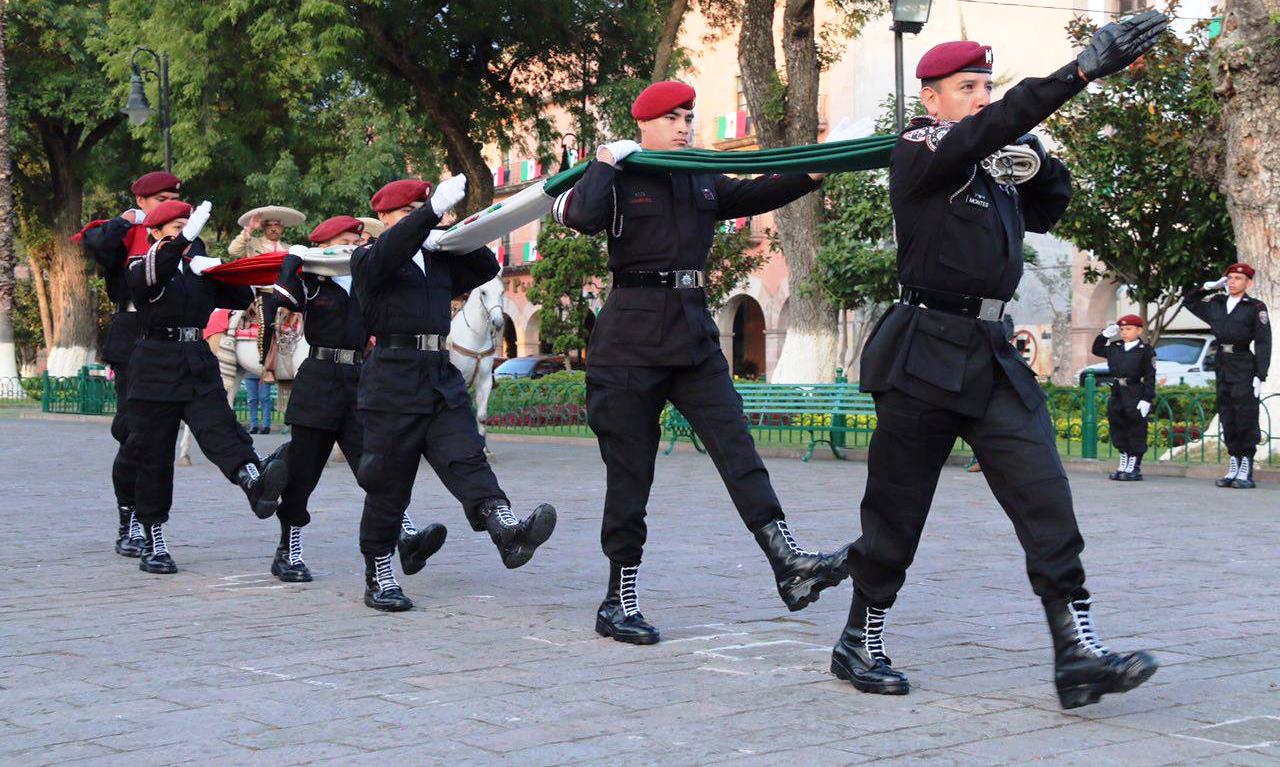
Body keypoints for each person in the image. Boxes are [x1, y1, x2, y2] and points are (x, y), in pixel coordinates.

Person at [833, 16, 1168, 709]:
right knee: (895, 511)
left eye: (989, 85)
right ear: (933, 99)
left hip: (990, 352)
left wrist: (1043, 161)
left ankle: (1076, 652)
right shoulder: (920, 149)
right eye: (968, 87)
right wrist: (1078, 73)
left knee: (1046, 495)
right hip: (923, 349)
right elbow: (983, 133)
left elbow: (1049, 206)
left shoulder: (991, 164)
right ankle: (859, 638)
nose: (984, 97)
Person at [553, 80, 854, 645]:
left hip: (692, 336)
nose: (685, 126)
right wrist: (603, 163)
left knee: (737, 447)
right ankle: (619, 599)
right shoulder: (622, 174)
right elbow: (580, 217)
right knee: (630, 476)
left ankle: (788, 563)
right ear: (644, 124)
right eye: (673, 118)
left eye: (690, 115)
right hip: (629, 343)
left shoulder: (699, 176)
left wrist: (818, 166)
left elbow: (759, 192)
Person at [349, 177, 556, 612]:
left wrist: (452, 233)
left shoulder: (433, 257)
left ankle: (505, 529)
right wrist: (425, 219)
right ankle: (379, 572)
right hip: (392, 376)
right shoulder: (369, 256)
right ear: (383, 217)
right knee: (388, 482)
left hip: (437, 374)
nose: (415, 220)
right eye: (406, 213)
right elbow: (385, 256)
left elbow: (484, 267)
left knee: (466, 454)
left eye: (419, 210)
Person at [260, 216, 446, 583]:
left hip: (359, 381)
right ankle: (288, 551)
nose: (357, 241)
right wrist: (294, 261)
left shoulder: (367, 281)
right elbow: (280, 300)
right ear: (329, 242)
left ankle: (406, 536)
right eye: (348, 237)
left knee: (377, 468)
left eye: (358, 237)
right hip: (317, 382)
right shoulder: (313, 283)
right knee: (303, 474)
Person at [123, 200, 289, 574]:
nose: (187, 231)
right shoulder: (142, 263)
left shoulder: (196, 267)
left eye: (189, 223)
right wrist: (182, 242)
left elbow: (241, 295)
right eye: (177, 225)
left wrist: (221, 272)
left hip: (196, 358)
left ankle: (253, 482)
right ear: (154, 231)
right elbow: (154, 274)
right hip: (155, 362)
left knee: (220, 427)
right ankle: (154, 538)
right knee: (154, 454)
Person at [75, 171, 182, 558]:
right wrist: (127, 221)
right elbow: (98, 247)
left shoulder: (182, 233)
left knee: (162, 438)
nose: (169, 207)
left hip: (171, 337)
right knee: (134, 434)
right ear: (141, 202)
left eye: (174, 199)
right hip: (132, 332)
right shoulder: (124, 231)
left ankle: (151, 521)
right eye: (160, 200)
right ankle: (129, 519)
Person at [1183, 264, 1271, 488]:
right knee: (1228, 414)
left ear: (1248, 282)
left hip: (1243, 363)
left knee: (1245, 415)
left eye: (1238, 278)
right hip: (1222, 362)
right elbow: (1188, 301)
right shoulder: (1217, 304)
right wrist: (1207, 287)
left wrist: (1260, 374)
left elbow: (1263, 342)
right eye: (1229, 278)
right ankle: (1234, 461)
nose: (1232, 282)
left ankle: (1246, 466)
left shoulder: (1254, 307)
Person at [1092, 315, 1156, 481]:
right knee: (1118, 425)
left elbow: (1150, 376)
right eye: (1122, 329)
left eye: (1128, 329)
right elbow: (1096, 349)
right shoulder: (1115, 347)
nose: (1124, 332)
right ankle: (1124, 458)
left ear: (1139, 330)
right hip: (1117, 392)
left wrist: (1147, 398)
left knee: (1135, 428)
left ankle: (1134, 464)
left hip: (1135, 391)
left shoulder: (1145, 350)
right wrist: (1104, 335)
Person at [227, 205, 303, 260]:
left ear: (282, 227)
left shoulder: (290, 249)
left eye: (277, 224)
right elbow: (233, 251)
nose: (273, 228)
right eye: (269, 225)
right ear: (263, 227)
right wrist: (250, 228)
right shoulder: (252, 244)